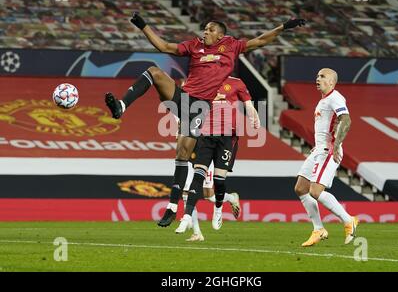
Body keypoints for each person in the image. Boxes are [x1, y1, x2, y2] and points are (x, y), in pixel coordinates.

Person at [105, 12, 305, 227]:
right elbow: (164, 47)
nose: (205, 32)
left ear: (220, 35)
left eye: (210, 30)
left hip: (199, 107)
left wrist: (283, 26)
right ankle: (121, 106)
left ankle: (172, 208)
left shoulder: (232, 46)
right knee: (154, 72)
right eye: (205, 29)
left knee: (182, 153)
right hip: (184, 98)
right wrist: (143, 25)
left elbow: (262, 40)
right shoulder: (194, 45)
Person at [174, 76, 260, 234]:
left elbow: (248, 104)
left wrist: (255, 116)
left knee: (210, 191)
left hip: (223, 138)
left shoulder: (235, 82)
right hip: (201, 140)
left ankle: (226, 201)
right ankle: (195, 231)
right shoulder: (189, 97)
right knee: (193, 185)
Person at [294, 68, 358, 247]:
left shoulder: (335, 97)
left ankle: (348, 220)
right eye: (317, 76)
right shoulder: (324, 100)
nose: (318, 78)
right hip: (318, 150)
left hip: (329, 150)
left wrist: (336, 144)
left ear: (332, 82)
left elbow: (346, 119)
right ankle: (318, 229)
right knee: (300, 188)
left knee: (315, 191)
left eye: (322, 76)